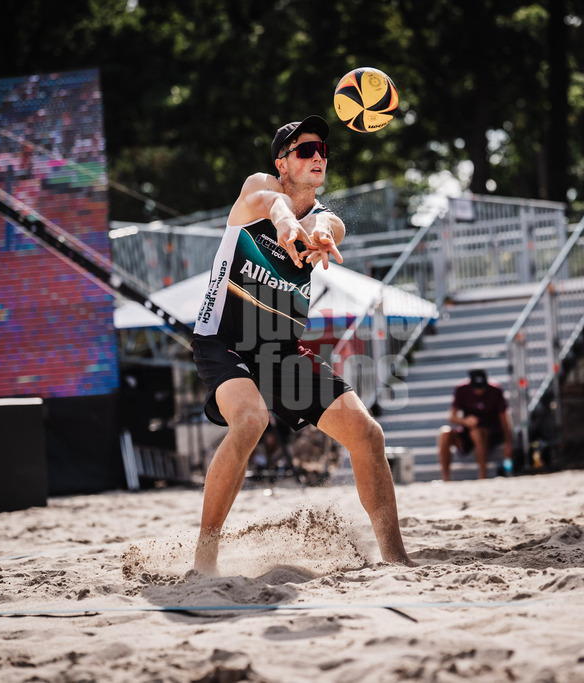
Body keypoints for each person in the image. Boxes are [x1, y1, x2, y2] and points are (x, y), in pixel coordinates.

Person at [190, 114, 412, 574]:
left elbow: (328, 228)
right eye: (304, 150)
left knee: (368, 434)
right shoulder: (258, 189)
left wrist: (318, 235)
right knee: (249, 419)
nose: (316, 156)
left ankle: (395, 559)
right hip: (224, 339)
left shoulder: (326, 221)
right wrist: (288, 224)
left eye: (322, 151)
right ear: (281, 163)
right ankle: (205, 557)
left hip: (279, 350)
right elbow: (272, 205)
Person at [437, 368, 514, 480]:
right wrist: (465, 421)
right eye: (476, 388)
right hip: (468, 431)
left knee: (476, 432)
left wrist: (508, 442)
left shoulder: (495, 390)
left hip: (491, 433)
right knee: (445, 433)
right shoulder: (461, 389)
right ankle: (445, 478)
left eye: (482, 387)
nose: (479, 391)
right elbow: (451, 417)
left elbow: (504, 418)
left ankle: (482, 475)